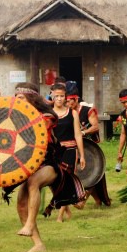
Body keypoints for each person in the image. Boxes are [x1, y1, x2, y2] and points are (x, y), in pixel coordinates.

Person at [4, 82, 86, 252]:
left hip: (50, 164)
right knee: (20, 204)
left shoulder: (47, 115)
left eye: (20, 98)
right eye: (15, 98)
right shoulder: (16, 117)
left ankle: (30, 223)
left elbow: (37, 130)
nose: (16, 101)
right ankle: (38, 244)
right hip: (28, 166)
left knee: (34, 183)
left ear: (31, 98)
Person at [50, 83, 86, 222]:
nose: (59, 99)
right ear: (52, 95)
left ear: (66, 97)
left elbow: (78, 135)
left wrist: (82, 155)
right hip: (55, 152)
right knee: (54, 182)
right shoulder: (49, 114)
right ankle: (67, 208)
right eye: (57, 96)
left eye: (62, 96)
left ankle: (60, 216)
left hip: (70, 151)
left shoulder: (73, 113)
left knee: (65, 180)